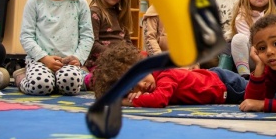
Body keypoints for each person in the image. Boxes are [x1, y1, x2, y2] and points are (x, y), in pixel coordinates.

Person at [18, 0, 93, 95]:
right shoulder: (35, 2)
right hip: (40, 61)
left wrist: (78, 58)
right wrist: (44, 58)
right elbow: (26, 36)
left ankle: (64, 80)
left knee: (71, 84)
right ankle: (20, 76)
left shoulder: (80, 3)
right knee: (41, 86)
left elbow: (87, 36)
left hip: (68, 62)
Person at [92, 41, 247, 107]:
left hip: (225, 83)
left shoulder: (166, 74)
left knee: (262, 92)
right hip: (218, 89)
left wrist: (128, 102)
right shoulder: (152, 83)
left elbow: (159, 100)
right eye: (132, 89)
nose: (142, 86)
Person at [85, 0, 134, 73]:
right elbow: (92, 45)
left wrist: (134, 57)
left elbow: (127, 43)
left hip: (120, 61)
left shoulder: (120, 14)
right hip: (102, 63)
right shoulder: (94, 13)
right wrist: (117, 57)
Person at [230, 0, 276, 77]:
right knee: (238, 39)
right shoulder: (242, 17)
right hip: (252, 56)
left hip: (271, 57)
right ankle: (244, 75)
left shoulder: (274, 16)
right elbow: (251, 43)